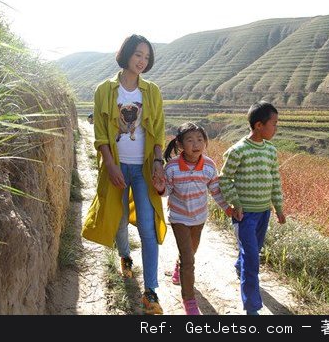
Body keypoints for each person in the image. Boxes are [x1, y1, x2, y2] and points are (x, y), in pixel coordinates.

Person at [81, 34, 166, 315]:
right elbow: (101, 134)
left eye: (147, 56)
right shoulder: (105, 90)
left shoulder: (151, 91)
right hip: (116, 166)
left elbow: (158, 131)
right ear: (127, 54)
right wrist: (111, 165)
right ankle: (125, 257)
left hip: (142, 169)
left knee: (147, 227)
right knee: (117, 220)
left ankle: (151, 291)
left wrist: (157, 162)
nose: (142, 60)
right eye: (138, 54)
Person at [152, 122, 239, 315]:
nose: (196, 144)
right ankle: (189, 299)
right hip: (179, 218)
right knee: (189, 260)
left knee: (190, 252)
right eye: (190, 140)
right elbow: (167, 191)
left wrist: (227, 208)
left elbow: (215, 190)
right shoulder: (172, 167)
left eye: (200, 139)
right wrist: (160, 187)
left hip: (199, 218)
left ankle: (178, 266)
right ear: (180, 145)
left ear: (205, 143)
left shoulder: (209, 165)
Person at [218, 101, 286, 315]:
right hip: (244, 214)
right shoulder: (238, 151)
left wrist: (279, 207)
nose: (276, 128)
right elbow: (224, 179)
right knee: (252, 259)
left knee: (253, 251)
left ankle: (240, 265)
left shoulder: (270, 151)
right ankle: (252, 306)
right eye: (273, 124)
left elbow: (275, 179)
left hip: (263, 212)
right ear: (259, 125)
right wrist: (235, 203)